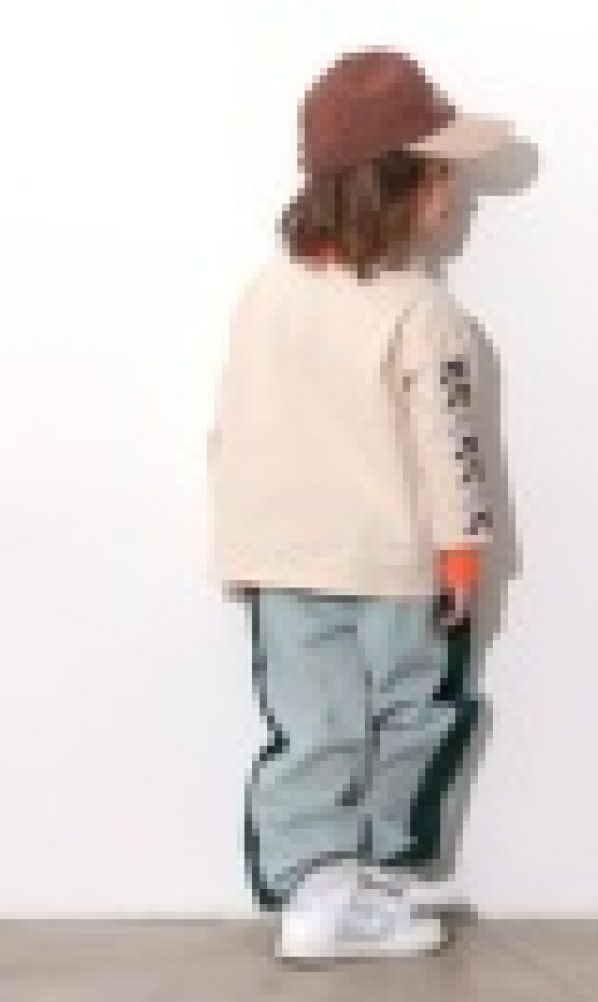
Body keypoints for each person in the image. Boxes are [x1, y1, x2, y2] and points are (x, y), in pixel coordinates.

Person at [206, 48, 513, 962]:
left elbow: (235, 426)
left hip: (284, 562)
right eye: (443, 175)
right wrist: (462, 550)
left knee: (313, 730)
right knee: (417, 714)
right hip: (393, 565)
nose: (454, 194)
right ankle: (377, 876)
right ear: (399, 188)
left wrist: (240, 549)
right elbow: (451, 447)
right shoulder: (421, 310)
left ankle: (314, 894)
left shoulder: (266, 294)